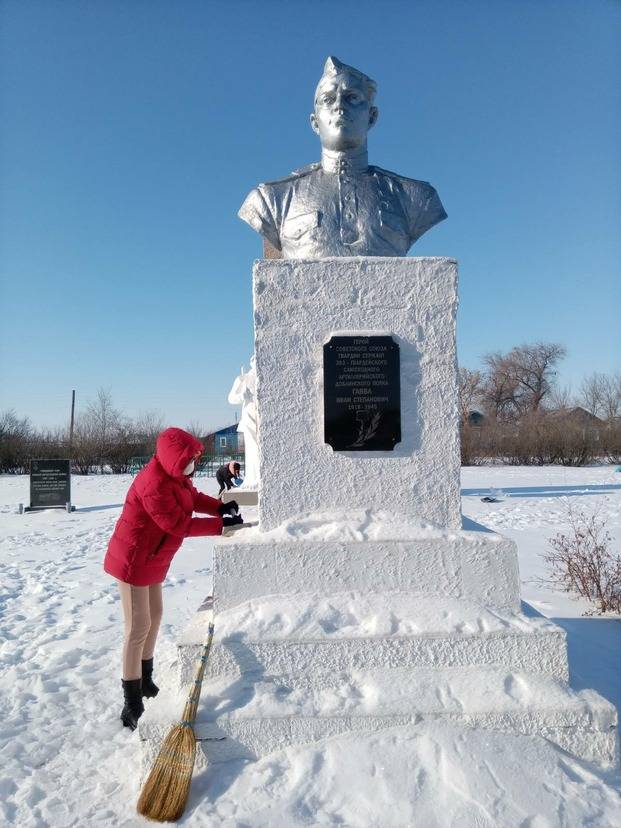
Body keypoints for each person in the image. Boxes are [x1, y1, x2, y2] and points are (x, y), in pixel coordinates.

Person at [238, 56, 447, 259]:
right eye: (327, 99)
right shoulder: (272, 199)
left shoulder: (415, 197)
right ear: (315, 122)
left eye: (352, 98)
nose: (339, 106)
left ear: (372, 117)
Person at [103, 427, 242, 730]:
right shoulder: (153, 483)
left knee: (155, 616)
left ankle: (145, 679)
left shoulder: (175, 477)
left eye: (194, 459)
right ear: (173, 458)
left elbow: (192, 498)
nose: (193, 465)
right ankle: (131, 701)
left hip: (153, 557)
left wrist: (219, 507)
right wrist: (220, 525)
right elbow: (179, 524)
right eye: (188, 460)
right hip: (133, 559)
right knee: (137, 626)